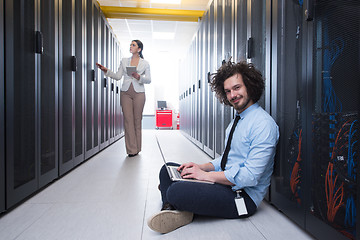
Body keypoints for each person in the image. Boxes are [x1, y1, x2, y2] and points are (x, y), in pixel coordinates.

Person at [147, 60, 279, 234]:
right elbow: (226, 159)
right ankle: (174, 209)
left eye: (237, 88)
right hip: (225, 184)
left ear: (249, 86)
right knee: (168, 169)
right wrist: (200, 167)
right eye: (228, 91)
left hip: (242, 197)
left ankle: (173, 203)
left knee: (175, 190)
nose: (233, 95)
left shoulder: (263, 124)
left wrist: (205, 176)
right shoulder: (235, 122)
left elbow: (250, 177)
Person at [96, 40, 151, 157]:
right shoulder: (124, 61)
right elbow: (117, 76)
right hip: (125, 93)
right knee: (128, 120)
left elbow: (149, 79)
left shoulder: (145, 63)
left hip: (139, 93)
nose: (130, 46)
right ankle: (132, 150)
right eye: (130, 44)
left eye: (133, 45)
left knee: (137, 120)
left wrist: (138, 77)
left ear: (139, 49)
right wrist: (106, 71)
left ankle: (137, 147)